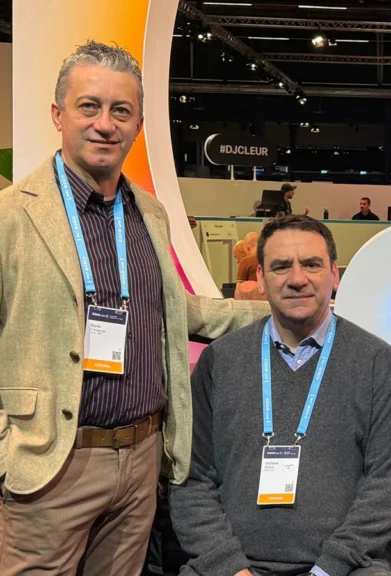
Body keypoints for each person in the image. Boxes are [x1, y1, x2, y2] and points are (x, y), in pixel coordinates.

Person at [0, 41, 269, 575]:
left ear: (139, 123)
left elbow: (174, 311)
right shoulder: (12, 216)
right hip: (51, 462)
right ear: (58, 115)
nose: (105, 124)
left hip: (143, 458)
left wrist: (275, 311)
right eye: (89, 106)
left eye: (120, 110)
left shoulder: (149, 211)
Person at [170, 215, 391, 576]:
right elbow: (192, 480)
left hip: (344, 569)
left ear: (335, 275)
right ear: (260, 279)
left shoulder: (377, 363)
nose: (297, 279)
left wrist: (329, 568)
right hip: (234, 567)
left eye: (312, 265)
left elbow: (386, 488)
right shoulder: (220, 361)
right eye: (281, 266)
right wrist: (228, 567)